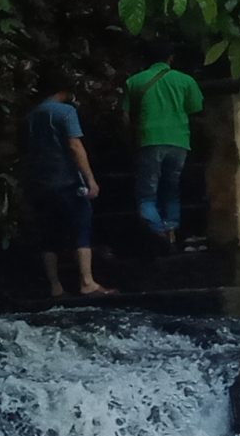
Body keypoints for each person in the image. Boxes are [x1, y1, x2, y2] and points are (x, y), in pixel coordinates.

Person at [21, 75, 110, 298]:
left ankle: (55, 286)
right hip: (67, 181)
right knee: (82, 227)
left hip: (40, 182)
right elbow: (75, 145)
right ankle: (87, 282)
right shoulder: (65, 112)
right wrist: (90, 180)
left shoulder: (31, 116)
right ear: (64, 92)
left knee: (49, 234)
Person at [124, 52, 206, 248]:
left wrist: (129, 140)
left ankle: (158, 231)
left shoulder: (133, 82)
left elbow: (125, 117)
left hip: (149, 140)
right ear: (171, 57)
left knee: (147, 194)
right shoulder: (186, 80)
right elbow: (196, 110)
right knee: (171, 189)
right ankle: (171, 229)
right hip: (179, 141)